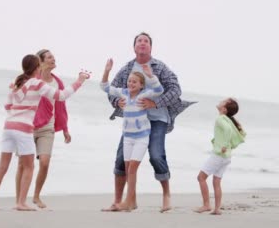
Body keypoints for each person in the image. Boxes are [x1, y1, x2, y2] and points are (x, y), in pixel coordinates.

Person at [103, 32, 195, 213]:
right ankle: (120, 201)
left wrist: (156, 102)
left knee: (156, 155)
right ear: (134, 46)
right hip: (134, 121)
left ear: (150, 47)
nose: (142, 43)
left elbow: (175, 89)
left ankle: (166, 195)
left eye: (146, 41)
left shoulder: (159, 67)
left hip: (157, 119)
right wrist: (117, 102)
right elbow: (111, 89)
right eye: (139, 41)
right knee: (122, 159)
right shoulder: (127, 68)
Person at [0, 54, 89, 211]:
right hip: (24, 129)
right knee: (29, 167)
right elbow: (61, 96)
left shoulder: (16, 83)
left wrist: (18, 111)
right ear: (37, 68)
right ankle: (21, 203)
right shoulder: (37, 84)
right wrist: (79, 81)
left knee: (2, 166)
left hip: (8, 127)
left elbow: (7, 106)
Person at [100, 58, 164, 211]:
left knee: (132, 169)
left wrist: (150, 75)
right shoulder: (123, 94)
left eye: (134, 82)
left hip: (142, 137)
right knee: (128, 169)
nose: (131, 84)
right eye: (129, 81)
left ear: (141, 85)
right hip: (128, 137)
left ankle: (127, 203)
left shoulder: (143, 96)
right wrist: (107, 70)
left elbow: (159, 90)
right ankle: (132, 202)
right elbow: (104, 87)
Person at [15, 49, 73, 209]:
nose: (53, 58)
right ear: (40, 62)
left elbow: (61, 106)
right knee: (22, 164)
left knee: (45, 162)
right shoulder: (33, 80)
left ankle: (36, 196)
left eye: (53, 56)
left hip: (48, 126)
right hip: (28, 125)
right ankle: (19, 200)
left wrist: (65, 128)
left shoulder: (57, 82)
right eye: (49, 57)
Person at [194, 98, 246, 215]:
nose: (221, 101)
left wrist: (224, 145)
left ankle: (206, 205)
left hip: (218, 155)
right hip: (226, 157)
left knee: (201, 178)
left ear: (224, 108)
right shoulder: (228, 120)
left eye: (223, 101)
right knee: (216, 182)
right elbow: (240, 132)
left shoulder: (220, 119)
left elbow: (227, 131)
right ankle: (217, 209)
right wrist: (228, 147)